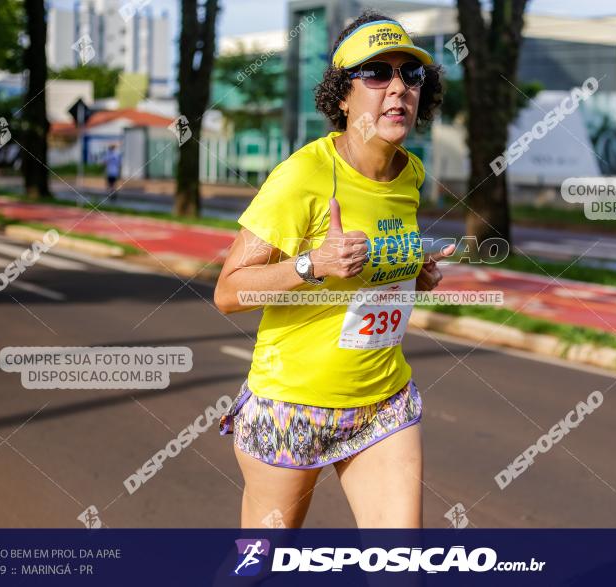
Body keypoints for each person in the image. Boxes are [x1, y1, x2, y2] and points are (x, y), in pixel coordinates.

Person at [214, 11, 451, 529]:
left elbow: (374, 269)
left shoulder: (409, 173)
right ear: (341, 96)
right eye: (376, 73)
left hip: (382, 402)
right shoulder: (304, 174)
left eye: (410, 76)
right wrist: (312, 263)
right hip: (291, 405)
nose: (398, 88)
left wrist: (414, 272)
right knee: (260, 567)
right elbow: (229, 292)